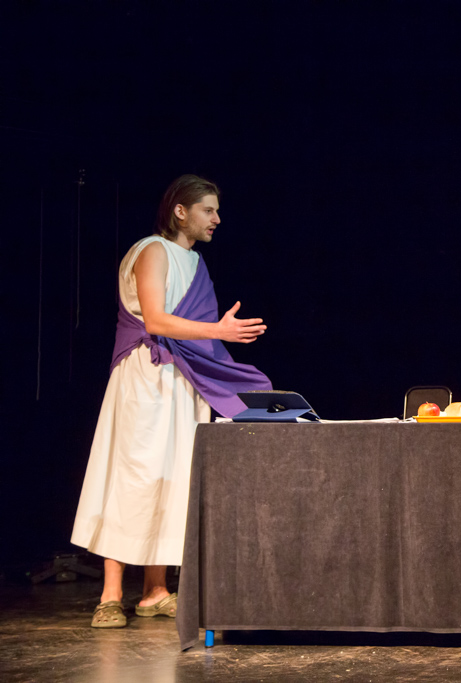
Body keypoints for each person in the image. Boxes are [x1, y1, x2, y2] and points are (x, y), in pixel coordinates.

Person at [71, 175, 273, 628]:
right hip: (148, 374)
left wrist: (216, 346)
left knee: (172, 475)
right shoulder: (152, 250)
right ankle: (109, 595)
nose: (216, 219)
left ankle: (155, 590)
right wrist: (218, 331)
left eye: (216, 210)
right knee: (133, 474)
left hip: (183, 378)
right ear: (180, 211)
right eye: (208, 210)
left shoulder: (195, 262)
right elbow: (157, 321)